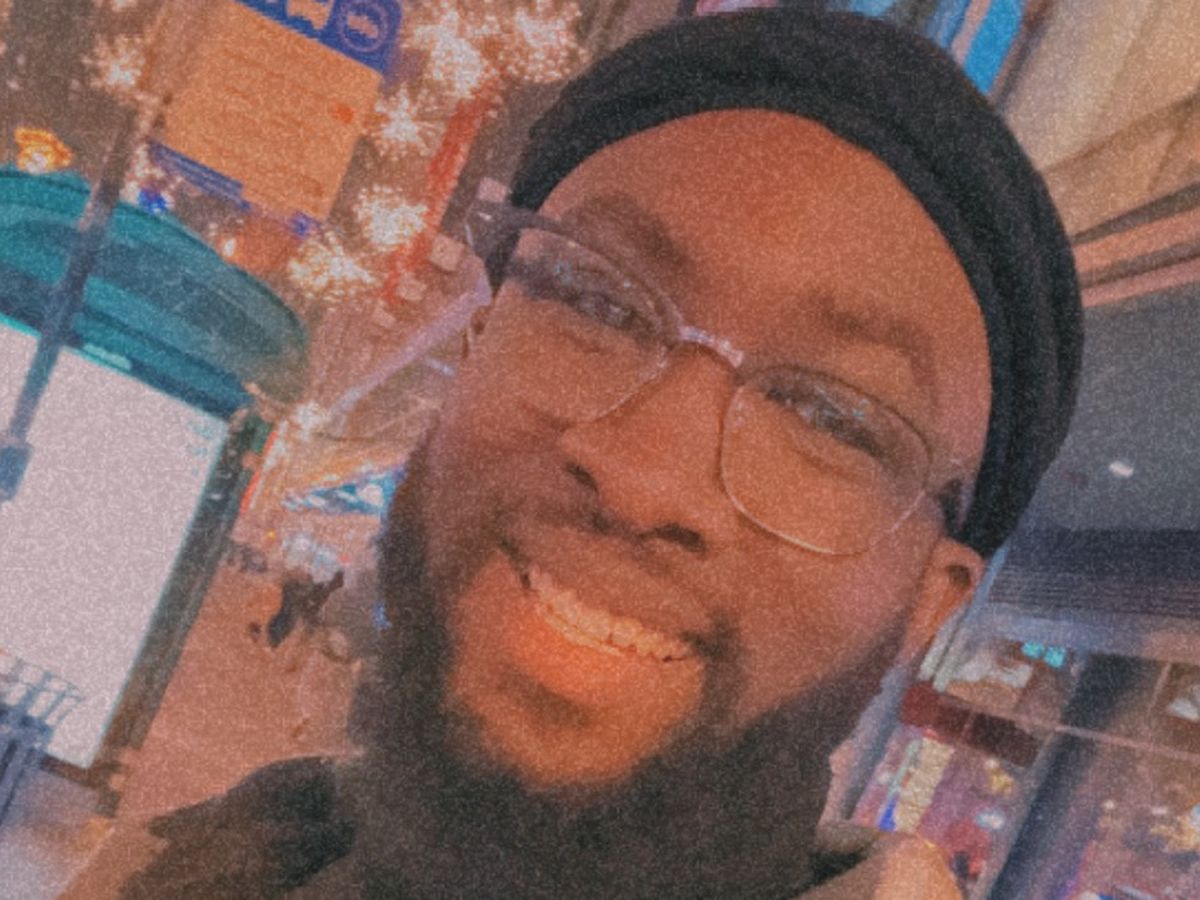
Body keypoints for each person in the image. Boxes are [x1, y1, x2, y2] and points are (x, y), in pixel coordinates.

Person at [65, 7, 1082, 898]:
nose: (643, 476)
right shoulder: (170, 873)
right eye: (595, 302)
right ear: (475, 347)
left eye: (830, 419)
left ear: (929, 602)